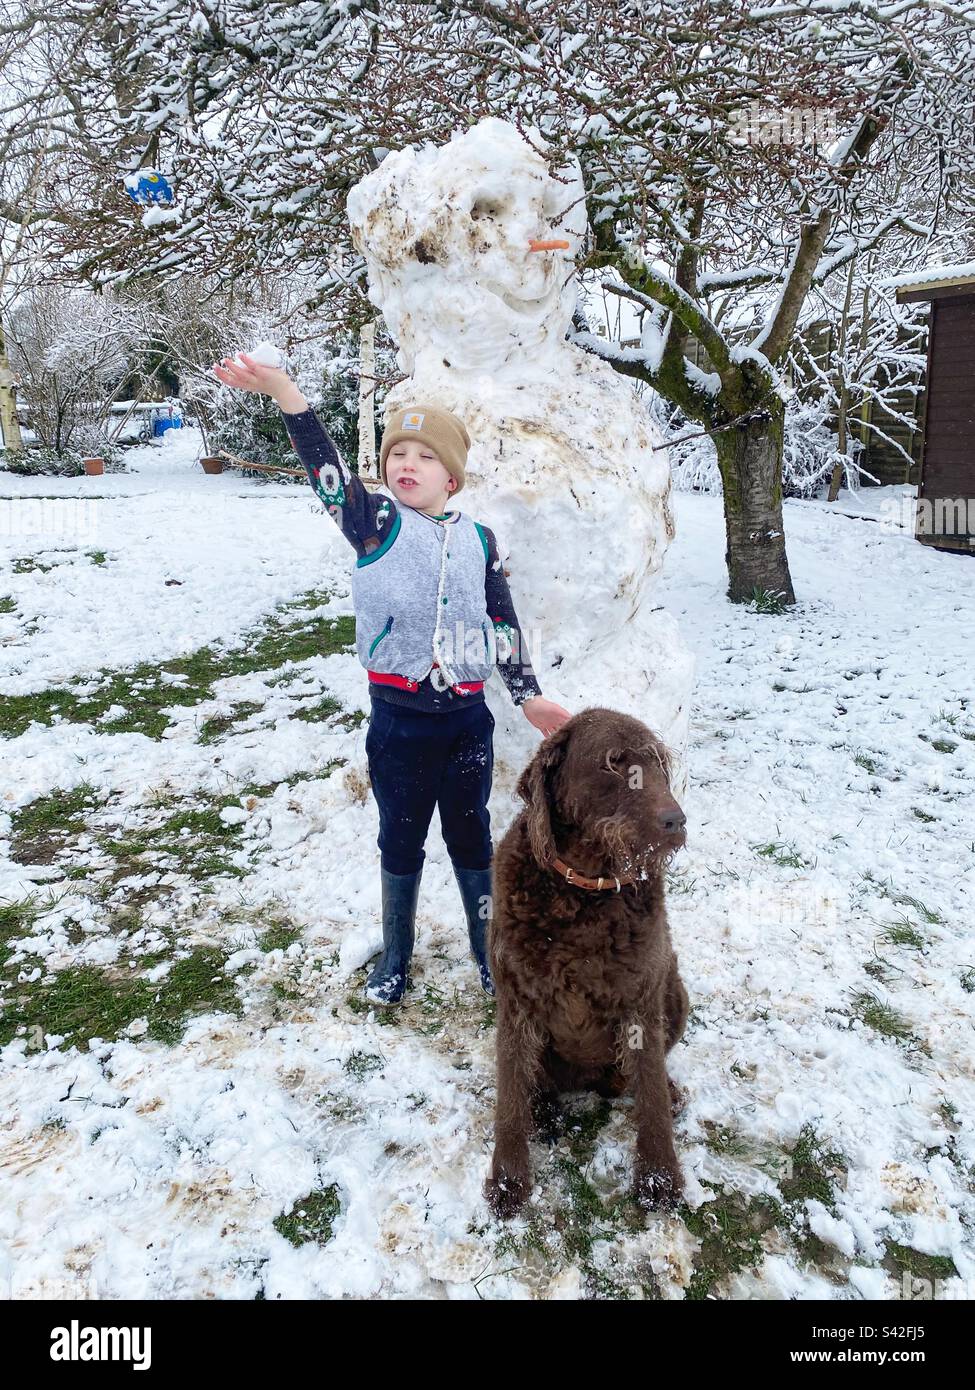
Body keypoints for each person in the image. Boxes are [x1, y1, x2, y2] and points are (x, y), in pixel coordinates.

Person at [212, 352, 571, 1004]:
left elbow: (500, 622)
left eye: (424, 455)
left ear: (452, 478)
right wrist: (284, 390)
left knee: (470, 838)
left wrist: (528, 695)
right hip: (399, 723)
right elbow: (326, 470)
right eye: (396, 453)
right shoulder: (373, 524)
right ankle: (396, 957)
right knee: (399, 840)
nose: (406, 464)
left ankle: (486, 952)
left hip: (466, 724)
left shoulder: (482, 542)